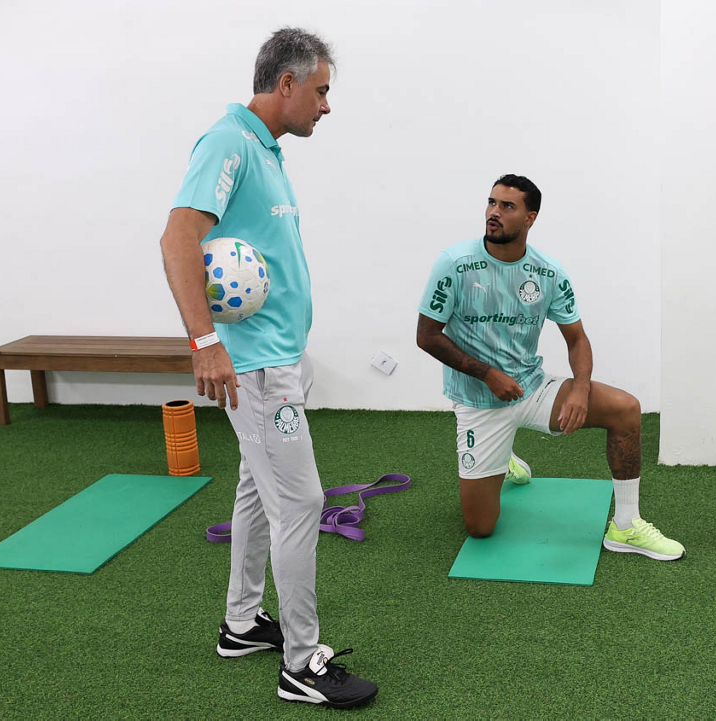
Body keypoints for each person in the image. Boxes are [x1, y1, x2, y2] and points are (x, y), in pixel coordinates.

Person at [158, 28, 377, 709]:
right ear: (285, 85)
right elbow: (178, 236)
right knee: (303, 501)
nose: (326, 106)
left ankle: (242, 621)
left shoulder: (266, 150)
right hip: (253, 368)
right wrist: (204, 340)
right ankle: (301, 662)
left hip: (278, 357)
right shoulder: (227, 143)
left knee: (259, 488)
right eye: (320, 92)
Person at [415, 175, 685, 561]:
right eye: (492, 203)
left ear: (531, 218)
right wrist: (487, 374)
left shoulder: (547, 273)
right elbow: (427, 336)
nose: (494, 213)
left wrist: (580, 387)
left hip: (532, 388)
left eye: (507, 207)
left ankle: (626, 525)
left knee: (626, 408)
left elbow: (577, 339)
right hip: (479, 400)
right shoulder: (454, 264)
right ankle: (502, 457)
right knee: (480, 528)